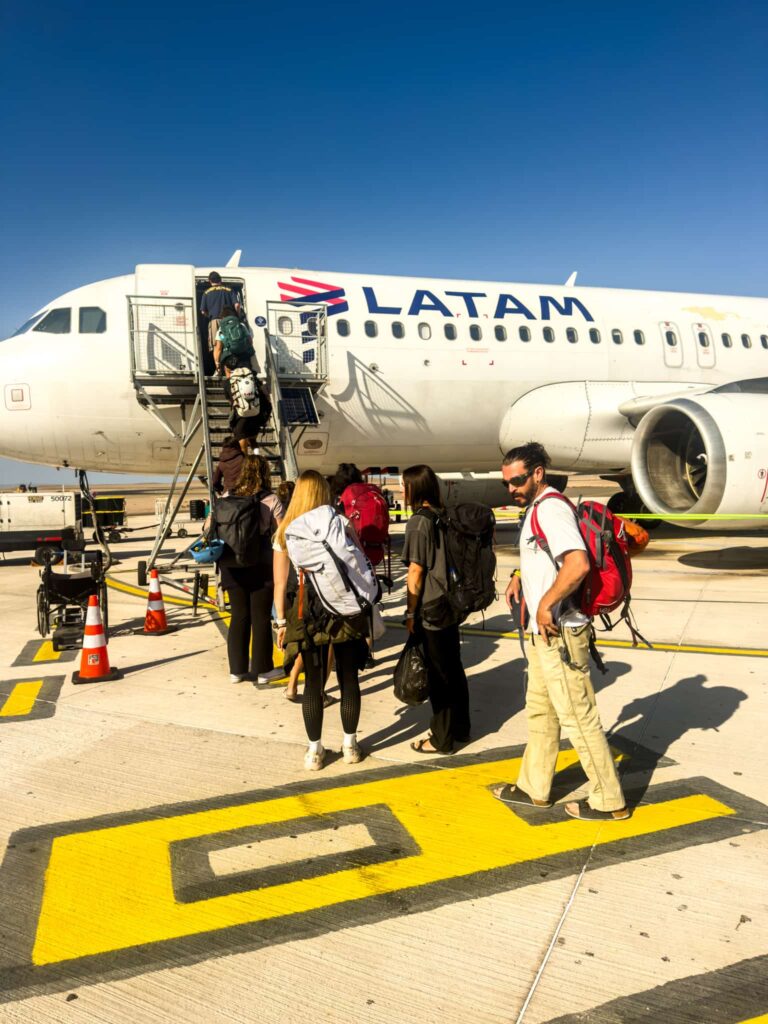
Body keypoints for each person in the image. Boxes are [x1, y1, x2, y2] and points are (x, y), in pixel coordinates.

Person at [493, 441, 630, 821]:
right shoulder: (537, 508)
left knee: (576, 715)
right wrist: (521, 575)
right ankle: (534, 787)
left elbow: (577, 564)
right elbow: (545, 557)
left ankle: (609, 799)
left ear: (538, 473)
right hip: (544, 634)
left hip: (561, 632)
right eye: (506, 483)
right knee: (541, 710)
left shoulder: (551, 508)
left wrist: (544, 603)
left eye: (517, 481)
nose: (512, 489)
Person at [273, 470, 369, 770]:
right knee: (349, 678)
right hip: (345, 610)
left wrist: (281, 623)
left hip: (307, 614)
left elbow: (279, 584)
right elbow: (359, 565)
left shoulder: (285, 531)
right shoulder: (340, 522)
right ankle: (350, 745)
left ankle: (314, 752)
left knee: (314, 683)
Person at [401, 464, 470, 754]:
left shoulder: (419, 523)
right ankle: (461, 728)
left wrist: (409, 612)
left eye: (404, 486)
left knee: (439, 676)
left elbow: (415, 571)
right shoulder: (445, 515)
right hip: (451, 603)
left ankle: (441, 739)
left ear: (414, 489)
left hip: (431, 608)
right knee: (454, 668)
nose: (401, 491)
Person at [217, 455, 284, 684]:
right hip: (260, 564)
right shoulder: (271, 499)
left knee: (238, 615)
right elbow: (281, 533)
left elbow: (209, 526)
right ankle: (264, 670)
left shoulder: (227, 496)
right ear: (265, 473)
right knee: (261, 617)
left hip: (231, 564)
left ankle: (236, 670)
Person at [200, 272, 239, 359]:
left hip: (215, 321)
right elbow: (237, 305)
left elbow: (203, 311)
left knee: (217, 346)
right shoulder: (229, 290)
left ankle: (218, 369)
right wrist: (237, 316)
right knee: (231, 343)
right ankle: (230, 367)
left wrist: (210, 316)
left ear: (210, 281)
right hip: (230, 321)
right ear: (220, 279)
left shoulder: (206, 293)